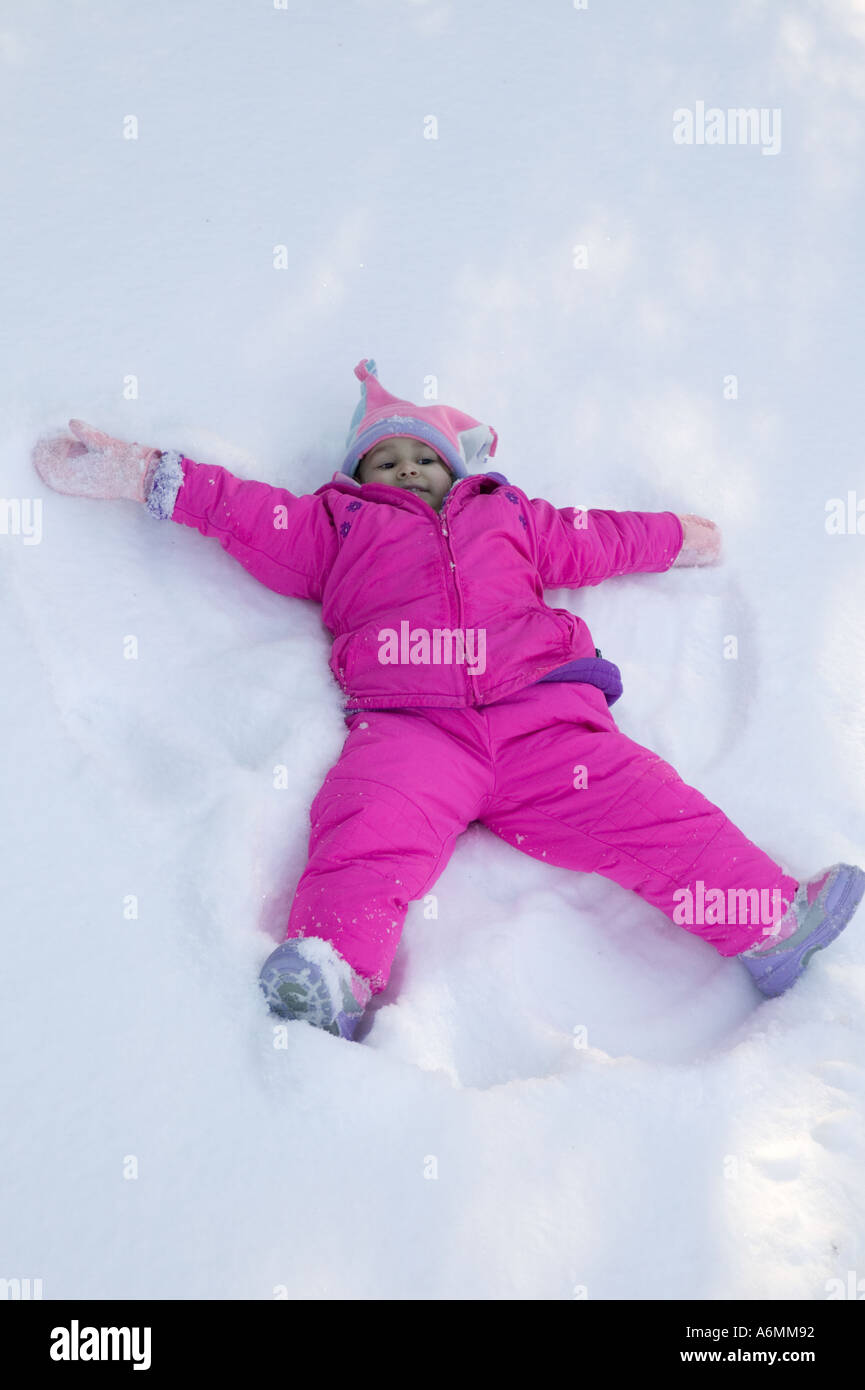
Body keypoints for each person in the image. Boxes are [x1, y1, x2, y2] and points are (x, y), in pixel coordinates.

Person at [32, 358, 865, 1041]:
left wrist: (675, 538)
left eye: (422, 459)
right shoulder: (336, 527)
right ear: (355, 474)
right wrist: (150, 475)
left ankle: (766, 922)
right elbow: (248, 516)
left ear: (455, 467)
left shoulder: (510, 519)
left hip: (544, 720)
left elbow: (596, 537)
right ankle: (333, 971)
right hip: (411, 730)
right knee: (367, 830)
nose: (406, 472)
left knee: (647, 809)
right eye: (385, 461)